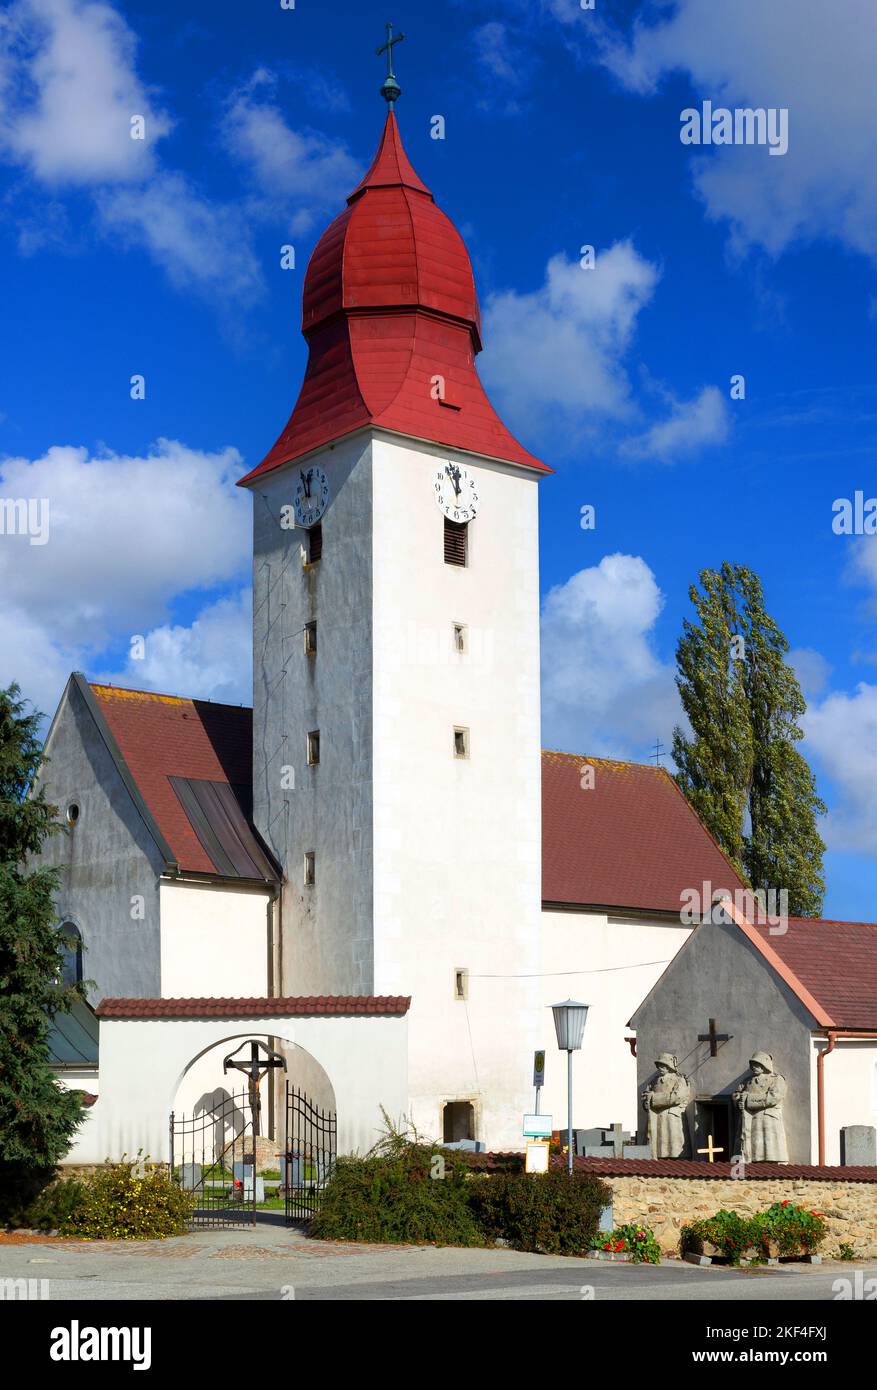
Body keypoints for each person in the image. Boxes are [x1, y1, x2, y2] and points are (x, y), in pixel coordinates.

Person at [733, 1051, 789, 1162]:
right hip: (749, 1119)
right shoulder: (746, 1081)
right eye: (752, 1064)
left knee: (769, 1149)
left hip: (767, 1119)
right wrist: (738, 1100)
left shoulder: (777, 1079)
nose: (754, 1067)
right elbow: (736, 1094)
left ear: (765, 1065)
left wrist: (748, 1100)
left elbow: (773, 1098)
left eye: (757, 1064)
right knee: (750, 1149)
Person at [643, 1053, 691, 1158]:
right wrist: (646, 1101)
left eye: (663, 1065)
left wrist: (654, 1098)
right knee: (656, 1147)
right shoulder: (654, 1081)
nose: (660, 1068)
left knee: (673, 1148)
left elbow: (677, 1097)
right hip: (656, 1117)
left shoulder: (679, 1080)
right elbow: (646, 1095)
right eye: (659, 1065)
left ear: (669, 1067)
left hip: (671, 1117)